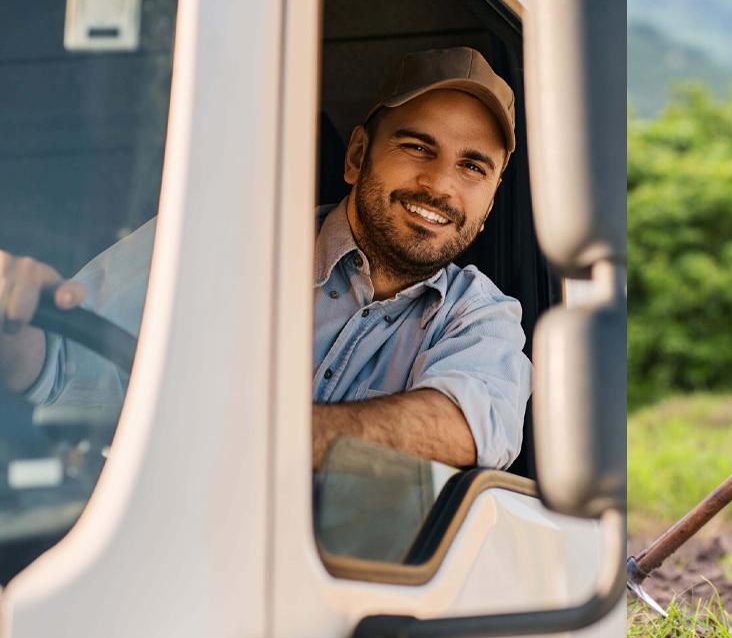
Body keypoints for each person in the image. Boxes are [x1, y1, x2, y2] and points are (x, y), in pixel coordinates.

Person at [0, 47, 531, 473]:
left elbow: (467, 425)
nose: (439, 184)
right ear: (355, 156)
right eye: (417, 147)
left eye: (472, 167)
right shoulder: (213, 241)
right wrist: (15, 323)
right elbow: (63, 366)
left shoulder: (483, 317)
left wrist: (239, 444)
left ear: (488, 207)